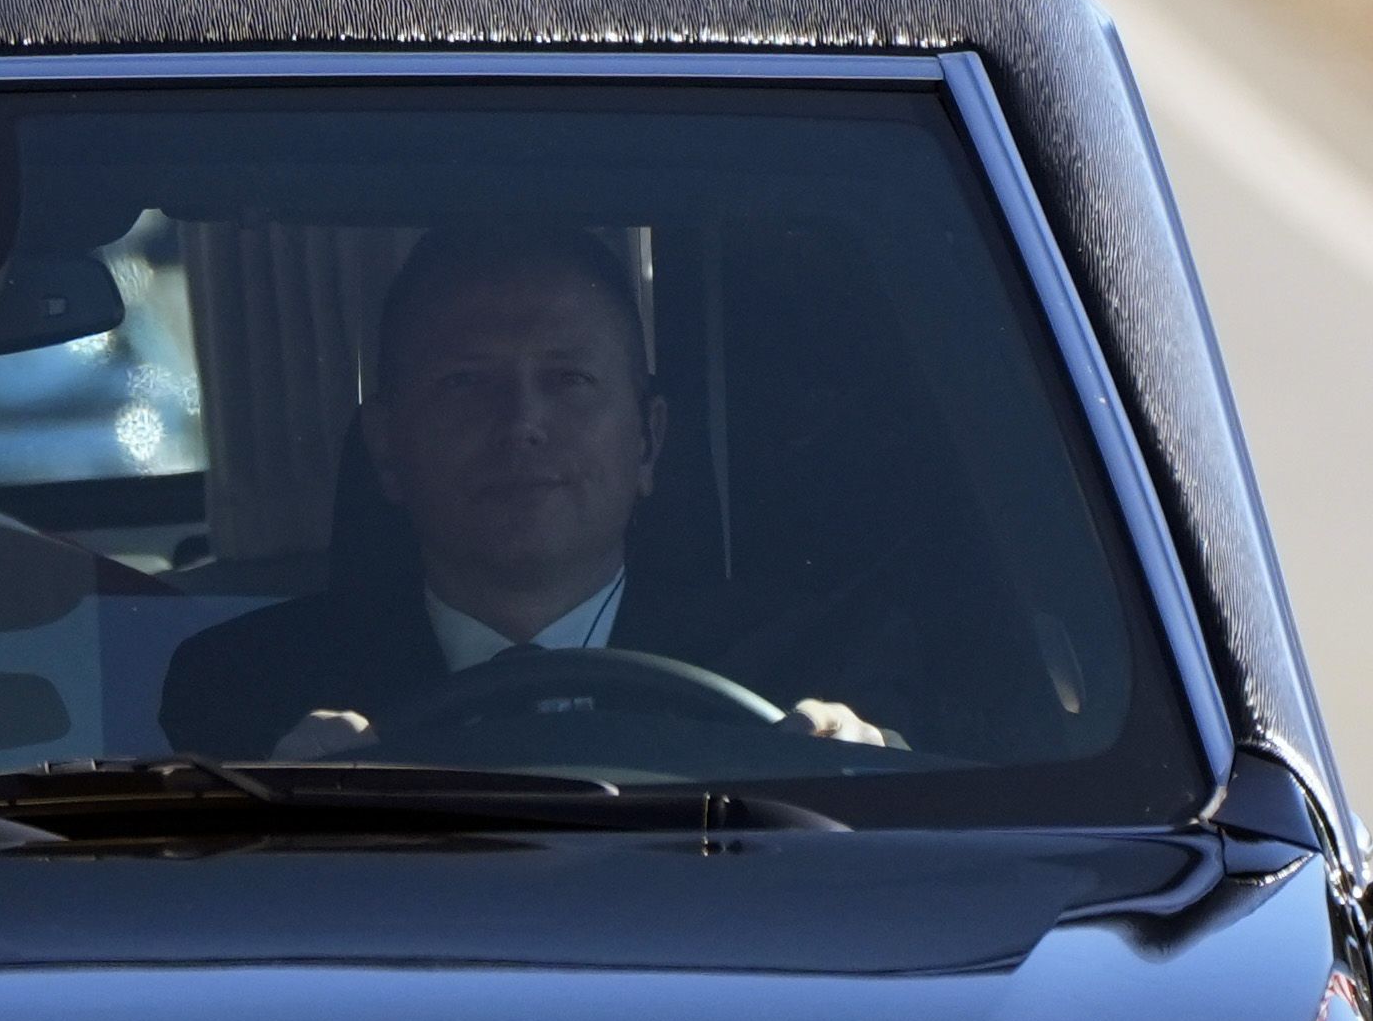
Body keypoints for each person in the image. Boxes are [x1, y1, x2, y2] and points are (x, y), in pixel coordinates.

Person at [156, 223, 894, 760]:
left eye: (569, 380)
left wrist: (868, 768)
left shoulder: (811, 670)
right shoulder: (246, 693)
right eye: (466, 383)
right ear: (386, 445)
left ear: (648, 439)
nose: (523, 425)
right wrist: (269, 817)